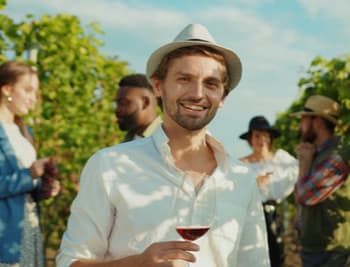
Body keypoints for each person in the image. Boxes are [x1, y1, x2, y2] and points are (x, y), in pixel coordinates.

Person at [56, 23, 270, 267]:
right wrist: (137, 264)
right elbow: (69, 262)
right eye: (184, 79)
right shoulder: (109, 165)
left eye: (211, 84)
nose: (197, 93)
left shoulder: (241, 179)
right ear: (158, 86)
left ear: (222, 97)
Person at [0, 60, 60, 266]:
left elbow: (23, 189)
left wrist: (43, 188)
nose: (33, 99)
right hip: (4, 235)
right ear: (7, 89)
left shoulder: (24, 132)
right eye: (27, 90)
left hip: (27, 230)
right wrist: (30, 174)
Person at [292, 95, 350, 267]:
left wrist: (304, 165)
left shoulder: (337, 157)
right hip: (315, 250)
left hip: (332, 252)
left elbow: (304, 196)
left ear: (317, 122)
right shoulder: (317, 155)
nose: (300, 127)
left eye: (303, 120)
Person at [239, 115, 298, 267]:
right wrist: (254, 184)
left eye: (265, 136)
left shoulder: (282, 160)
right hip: (249, 215)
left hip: (273, 215)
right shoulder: (241, 165)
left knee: (276, 255)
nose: (262, 140)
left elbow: (298, 175)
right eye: (257, 136)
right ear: (250, 139)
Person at [115, 73, 161, 142]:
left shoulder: (169, 140)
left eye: (123, 103)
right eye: (117, 104)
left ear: (145, 103)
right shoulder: (128, 141)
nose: (117, 110)